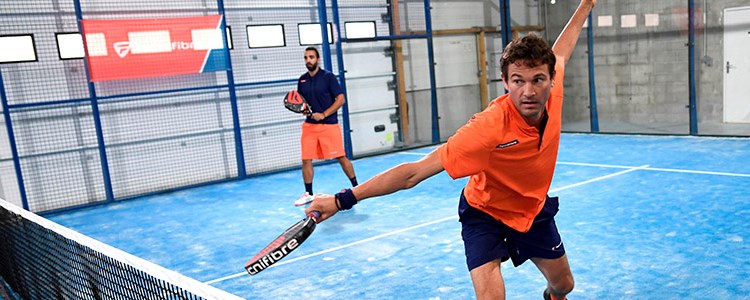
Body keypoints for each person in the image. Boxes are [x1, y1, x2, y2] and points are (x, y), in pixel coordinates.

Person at [305, 1, 597, 299]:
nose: (529, 91)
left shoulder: (552, 91)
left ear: (552, 79)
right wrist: (342, 200)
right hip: (486, 214)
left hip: (531, 210)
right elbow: (413, 173)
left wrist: (586, 4)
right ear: (506, 82)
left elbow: (564, 46)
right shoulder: (487, 129)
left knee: (564, 285)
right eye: (518, 81)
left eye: (538, 80)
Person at [295, 46, 358, 206]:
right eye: (306, 57)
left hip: (329, 125)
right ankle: (308, 193)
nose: (308, 60)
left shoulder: (328, 77)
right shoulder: (302, 80)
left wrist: (323, 114)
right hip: (309, 126)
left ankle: (357, 187)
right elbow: (302, 103)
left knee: (341, 157)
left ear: (318, 59)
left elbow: (340, 99)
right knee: (306, 159)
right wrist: (305, 111)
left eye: (311, 57)